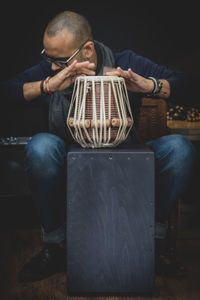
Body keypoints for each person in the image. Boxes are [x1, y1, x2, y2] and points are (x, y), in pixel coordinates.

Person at [0, 10, 197, 282]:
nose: (53, 66)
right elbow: (5, 93)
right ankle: (55, 246)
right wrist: (47, 85)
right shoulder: (50, 70)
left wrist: (149, 86)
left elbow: (192, 87)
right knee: (41, 147)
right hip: (71, 159)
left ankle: (152, 243)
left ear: (88, 50)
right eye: (48, 59)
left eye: (60, 61)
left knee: (179, 149)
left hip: (127, 156)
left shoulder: (126, 62)